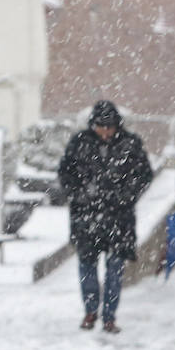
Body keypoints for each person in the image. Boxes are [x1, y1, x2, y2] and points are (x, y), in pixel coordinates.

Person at [58, 100, 153, 334]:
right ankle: (91, 310)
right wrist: (81, 194)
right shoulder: (80, 143)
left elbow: (143, 175)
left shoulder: (130, 144)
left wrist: (126, 196)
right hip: (86, 216)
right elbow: (65, 174)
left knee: (115, 268)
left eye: (109, 126)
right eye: (101, 126)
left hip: (118, 218)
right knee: (87, 266)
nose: (105, 131)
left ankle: (109, 316)